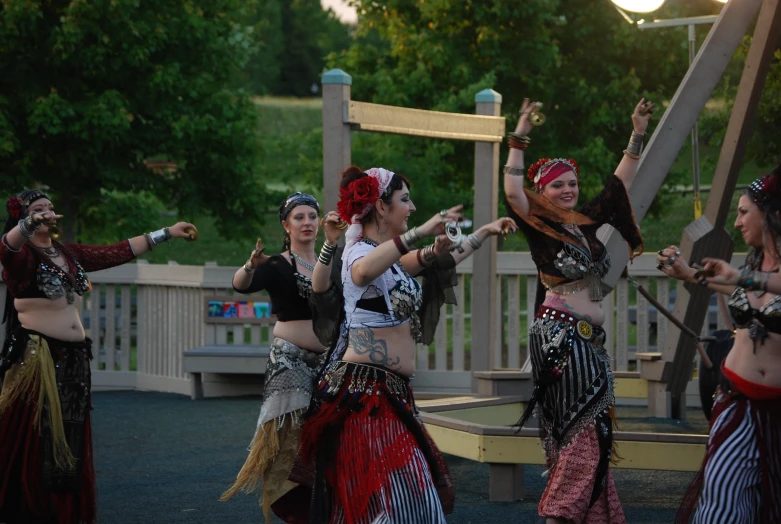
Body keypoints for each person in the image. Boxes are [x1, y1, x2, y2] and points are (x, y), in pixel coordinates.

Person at [290, 166, 517, 523]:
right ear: (380, 207)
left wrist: (482, 233)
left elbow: (440, 258)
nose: (411, 208)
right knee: (405, 502)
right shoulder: (356, 252)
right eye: (405, 200)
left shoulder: (391, 261)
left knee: (399, 504)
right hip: (364, 397)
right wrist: (420, 232)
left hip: (390, 394)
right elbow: (362, 273)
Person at [0, 189, 196, 523]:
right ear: (23, 217)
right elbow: (6, 247)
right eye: (37, 209)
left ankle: (61, 511)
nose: (47, 212)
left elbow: (115, 252)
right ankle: (28, 510)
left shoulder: (67, 252)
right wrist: (27, 225)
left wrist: (167, 233)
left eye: (49, 207)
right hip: (38, 360)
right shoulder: (22, 258)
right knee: (36, 436)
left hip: (74, 358)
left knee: (69, 433)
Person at [504, 98, 653, 523]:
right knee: (582, 433)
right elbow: (513, 190)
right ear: (542, 192)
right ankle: (559, 515)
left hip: (588, 342)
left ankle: (589, 516)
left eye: (571, 183)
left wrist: (637, 131)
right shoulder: (541, 227)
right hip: (561, 338)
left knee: (593, 433)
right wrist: (520, 131)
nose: (567, 190)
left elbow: (620, 183)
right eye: (557, 185)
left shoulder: (584, 224)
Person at [656, 170, 781, 523]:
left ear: (772, 213)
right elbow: (739, 289)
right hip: (738, 404)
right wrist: (688, 273)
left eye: (744, 212)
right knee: (722, 498)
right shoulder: (756, 262)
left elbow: (752, 284)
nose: (738, 222)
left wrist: (741, 276)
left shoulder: (755, 271)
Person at [220, 192, 328, 522]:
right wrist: (250, 265)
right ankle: (293, 507)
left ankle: (324, 500)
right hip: (290, 362)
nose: (307, 222)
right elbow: (241, 285)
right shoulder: (277, 264)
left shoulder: (329, 264)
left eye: (312, 216)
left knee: (323, 432)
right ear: (286, 224)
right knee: (291, 434)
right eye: (299, 217)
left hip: (327, 363)